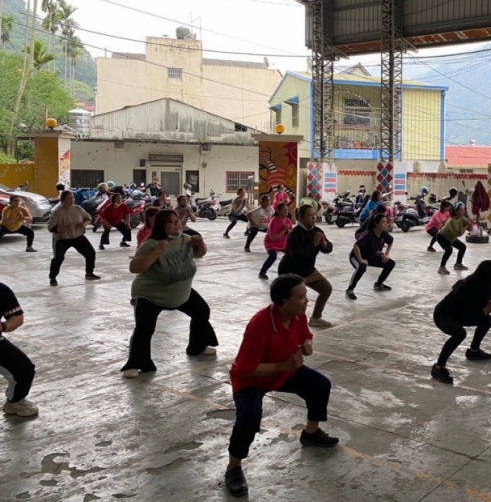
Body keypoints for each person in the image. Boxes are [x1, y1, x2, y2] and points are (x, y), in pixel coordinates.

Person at [224, 274, 339, 498]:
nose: (307, 301)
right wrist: (284, 365)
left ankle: (311, 433)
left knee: (319, 385)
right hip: (251, 380)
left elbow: (306, 335)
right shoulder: (260, 324)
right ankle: (234, 468)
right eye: (302, 297)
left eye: (306, 295)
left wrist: (307, 344)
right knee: (248, 420)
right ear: (284, 302)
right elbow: (245, 369)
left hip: (284, 371)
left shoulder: (298, 315)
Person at [121, 210, 218, 378]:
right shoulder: (151, 244)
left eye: (177, 220)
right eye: (171, 221)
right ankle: (136, 364)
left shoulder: (186, 240)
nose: (177, 223)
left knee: (201, 311)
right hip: (150, 294)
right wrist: (157, 251)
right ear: (162, 226)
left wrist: (200, 243)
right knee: (145, 329)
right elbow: (135, 268)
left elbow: (200, 254)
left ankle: (197, 346)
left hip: (180, 291)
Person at [431, 260, 491, 384]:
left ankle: (473, 351)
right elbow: (474, 314)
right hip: (443, 316)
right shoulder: (475, 288)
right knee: (459, 333)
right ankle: (438, 367)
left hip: (458, 315)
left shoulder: (484, 285)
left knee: (487, 320)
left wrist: (490, 304)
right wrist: (489, 308)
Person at [278, 204, 333, 327]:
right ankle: (284, 322)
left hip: (308, 270)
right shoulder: (295, 234)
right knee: (294, 300)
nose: (313, 217)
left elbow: (329, 248)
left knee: (326, 289)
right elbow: (298, 257)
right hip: (292, 271)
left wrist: (324, 244)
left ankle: (316, 317)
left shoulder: (317, 231)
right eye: (309, 215)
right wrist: (313, 244)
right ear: (301, 218)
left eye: (314, 214)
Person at [47, 191, 100, 287]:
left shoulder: (78, 209)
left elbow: (88, 218)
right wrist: (65, 228)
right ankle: (52, 277)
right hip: (61, 239)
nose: (71, 200)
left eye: (72, 198)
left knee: (90, 253)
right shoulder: (58, 212)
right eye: (68, 198)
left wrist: (84, 224)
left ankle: (89, 273)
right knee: (58, 258)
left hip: (77, 236)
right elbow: (50, 227)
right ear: (62, 201)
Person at [0, 283, 38, 417]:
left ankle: (15, 401)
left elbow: (17, 318)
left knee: (24, 369)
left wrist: (3, 326)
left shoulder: (2, 291)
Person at [345, 213, 395, 300]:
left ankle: (378, 284)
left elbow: (391, 241)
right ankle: (350, 289)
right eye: (383, 222)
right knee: (362, 267)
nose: (385, 224)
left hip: (370, 256)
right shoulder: (369, 234)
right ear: (376, 223)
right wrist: (360, 259)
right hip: (356, 256)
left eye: (386, 222)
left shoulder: (383, 233)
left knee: (390, 263)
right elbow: (356, 246)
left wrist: (386, 254)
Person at [259, 202, 293, 280]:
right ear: (277, 211)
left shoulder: (288, 221)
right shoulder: (273, 221)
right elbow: (273, 238)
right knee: (273, 256)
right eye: (284, 210)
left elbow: (291, 233)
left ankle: (288, 272)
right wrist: (284, 230)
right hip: (271, 244)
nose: (286, 211)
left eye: (287, 210)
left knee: (292, 255)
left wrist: (288, 231)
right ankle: (262, 272)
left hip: (283, 243)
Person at [436, 202, 472, 275]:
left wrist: (470, 223)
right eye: (461, 210)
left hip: (451, 238)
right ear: (456, 211)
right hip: (442, 237)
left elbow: (470, 229)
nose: (463, 211)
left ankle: (458, 264)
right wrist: (466, 225)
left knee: (463, 247)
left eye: (464, 209)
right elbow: (459, 234)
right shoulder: (452, 221)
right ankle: (441, 267)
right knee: (449, 250)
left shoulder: (461, 218)